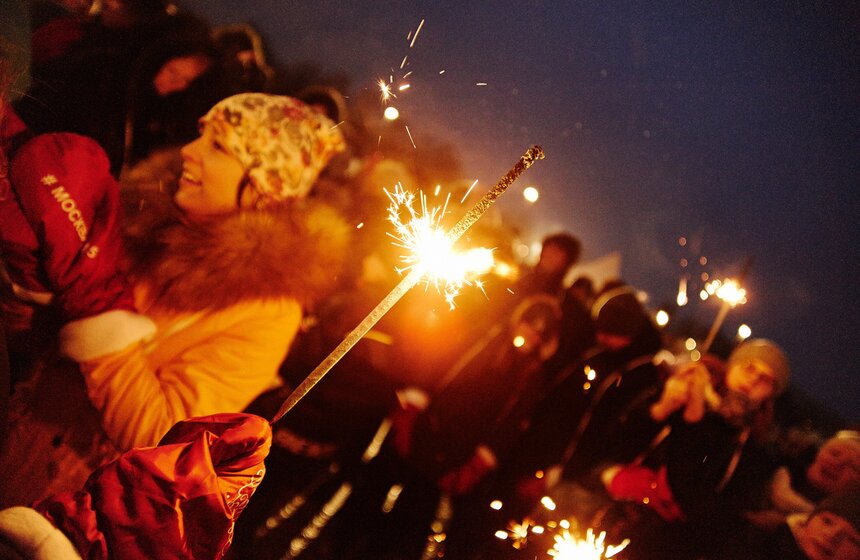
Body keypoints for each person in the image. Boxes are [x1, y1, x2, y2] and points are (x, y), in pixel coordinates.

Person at [0, 92, 348, 507]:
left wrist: (99, 315)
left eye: (218, 146)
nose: (189, 150)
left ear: (261, 187)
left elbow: (160, 435)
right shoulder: (145, 219)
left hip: (65, 504)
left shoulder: (266, 311)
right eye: (201, 134)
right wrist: (27, 291)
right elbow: (38, 345)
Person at [600, 338, 790, 559]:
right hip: (613, 508)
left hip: (660, 547)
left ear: (770, 396)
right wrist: (660, 410)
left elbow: (696, 499)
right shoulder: (682, 390)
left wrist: (693, 418)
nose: (753, 380)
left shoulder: (752, 448)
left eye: (765, 380)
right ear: (733, 366)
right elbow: (616, 445)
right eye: (749, 368)